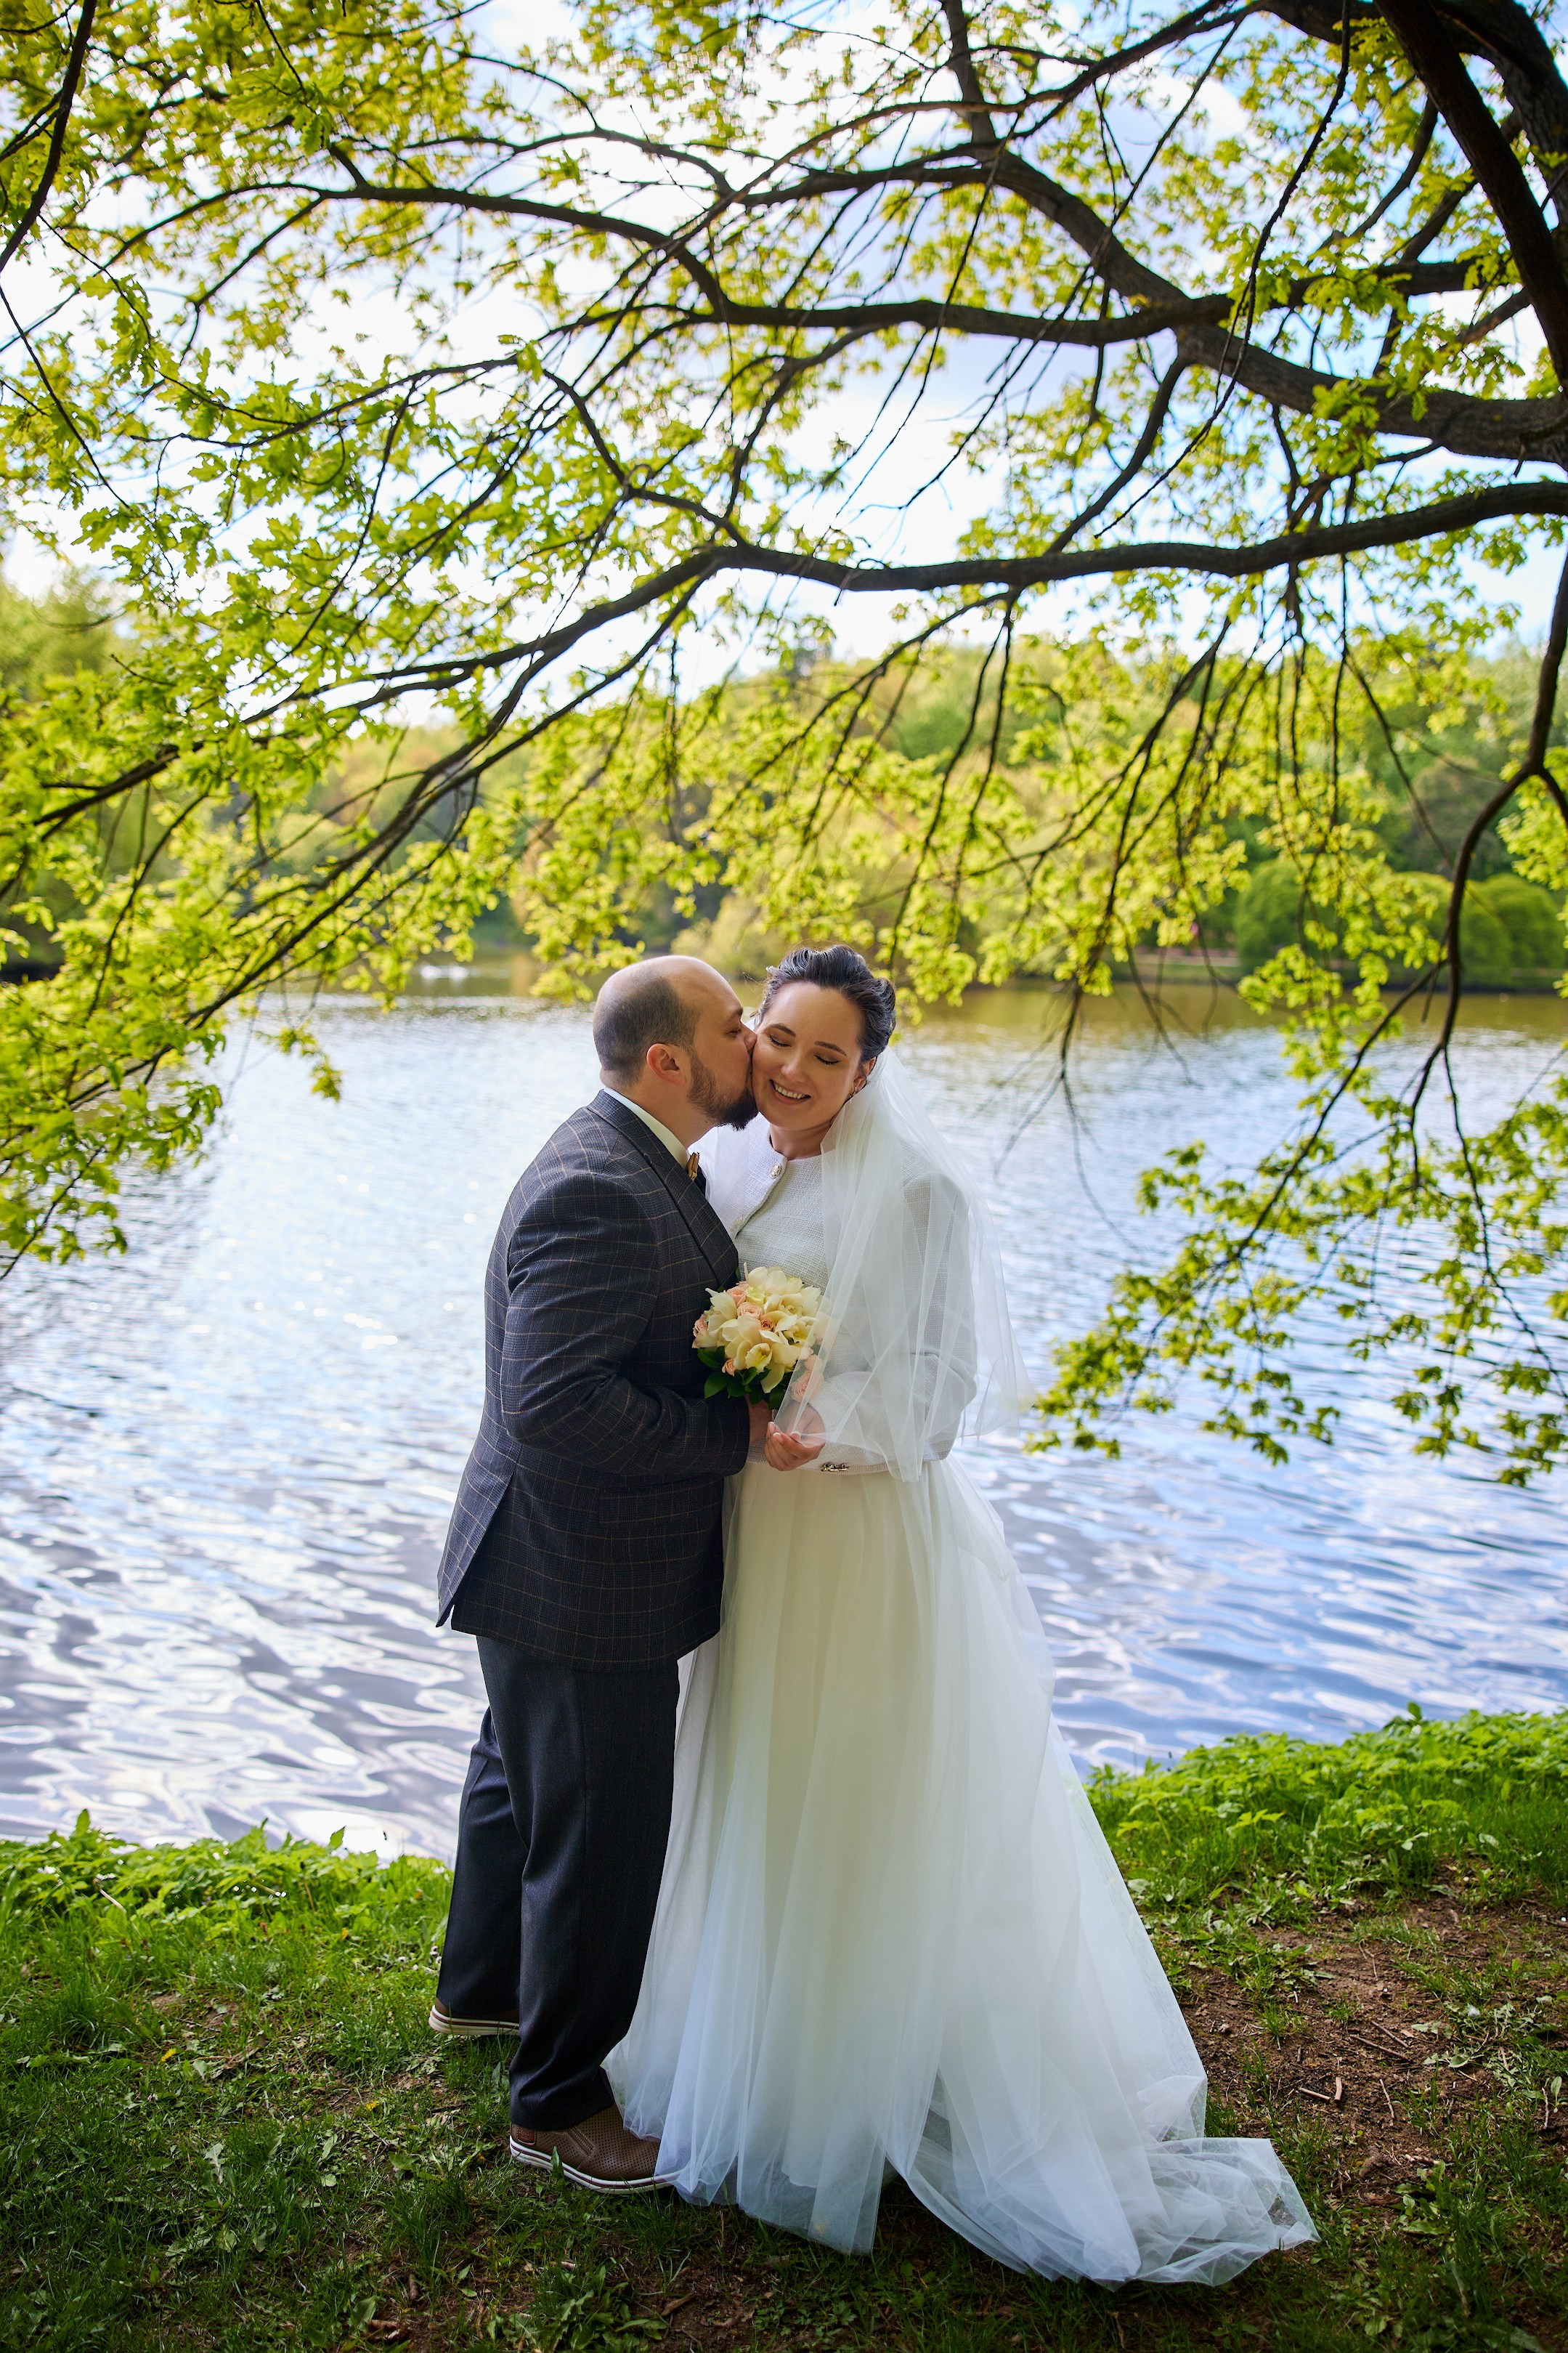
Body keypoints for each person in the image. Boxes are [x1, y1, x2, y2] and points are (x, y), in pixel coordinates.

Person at [609, 943, 1317, 2283]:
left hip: (857, 1531)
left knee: (859, 1790)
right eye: (781, 1044)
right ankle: (755, 2051)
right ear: (748, 1040)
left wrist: (819, 1419)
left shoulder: (921, 1193)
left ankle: (876, 2078)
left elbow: (937, 1394)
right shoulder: (733, 1166)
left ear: (870, 1067)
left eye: (832, 1055)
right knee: (757, 1775)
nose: (799, 1073)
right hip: (756, 1532)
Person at [430, 954, 771, 2193]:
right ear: (672, 1062)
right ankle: (561, 2106)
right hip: (581, 1573)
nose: (762, 1048)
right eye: (741, 1029)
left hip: (543, 1558)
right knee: (602, 1833)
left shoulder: (638, 1157)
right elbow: (557, 1402)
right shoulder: (596, 1186)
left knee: (519, 1785)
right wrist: (730, 1438)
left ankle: (480, 1996)